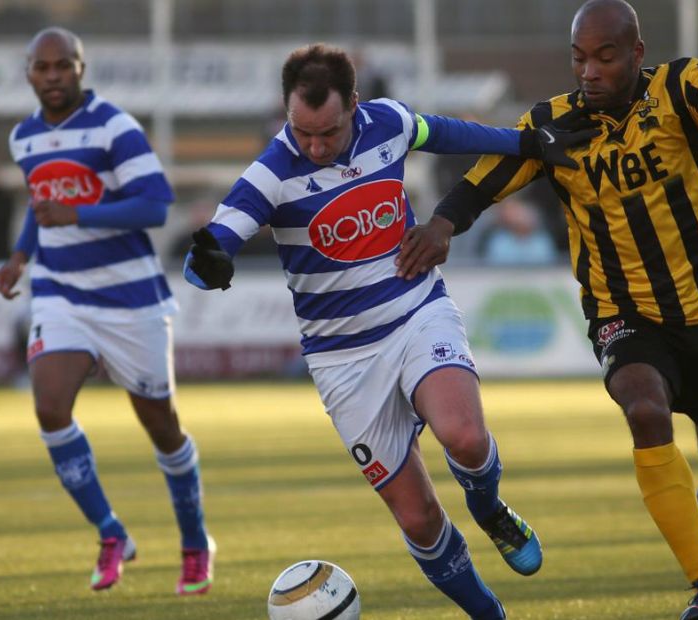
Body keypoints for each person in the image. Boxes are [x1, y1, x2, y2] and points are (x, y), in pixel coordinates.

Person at [396, 2, 698, 618]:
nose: (590, 71)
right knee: (643, 405)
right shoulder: (553, 126)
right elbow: (484, 176)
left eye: (605, 57)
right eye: (579, 58)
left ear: (636, 53)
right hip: (623, 312)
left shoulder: (681, 87)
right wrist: (443, 224)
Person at [182, 43, 590, 619]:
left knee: (465, 437)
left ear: (354, 104)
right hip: (343, 361)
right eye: (303, 132)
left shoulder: (389, 122)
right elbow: (212, 245)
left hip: (416, 309)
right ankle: (490, 615)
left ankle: (491, 510)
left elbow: (450, 133)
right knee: (418, 518)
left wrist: (526, 143)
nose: (316, 147)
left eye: (328, 132)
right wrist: (209, 263)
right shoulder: (271, 171)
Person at [0, 28, 213, 596]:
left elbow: (155, 206)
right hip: (62, 292)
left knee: (161, 428)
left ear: (80, 69)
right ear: (29, 74)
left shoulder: (115, 126)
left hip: (130, 299)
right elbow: (40, 208)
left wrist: (79, 214)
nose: (53, 76)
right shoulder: (24, 138)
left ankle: (194, 541)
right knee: (49, 407)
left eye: (63, 65)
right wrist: (20, 257)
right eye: (42, 67)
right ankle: (111, 532)